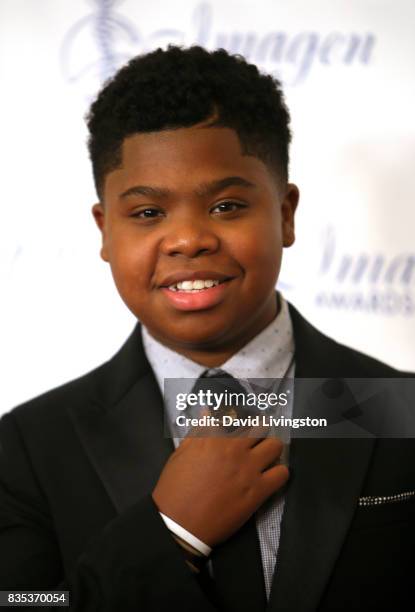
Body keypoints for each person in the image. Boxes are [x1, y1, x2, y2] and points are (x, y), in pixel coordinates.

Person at [0, 46, 414, 612]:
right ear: (104, 229)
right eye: (147, 213)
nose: (188, 239)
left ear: (286, 213)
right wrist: (169, 531)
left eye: (225, 206)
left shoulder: (397, 409)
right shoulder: (24, 447)